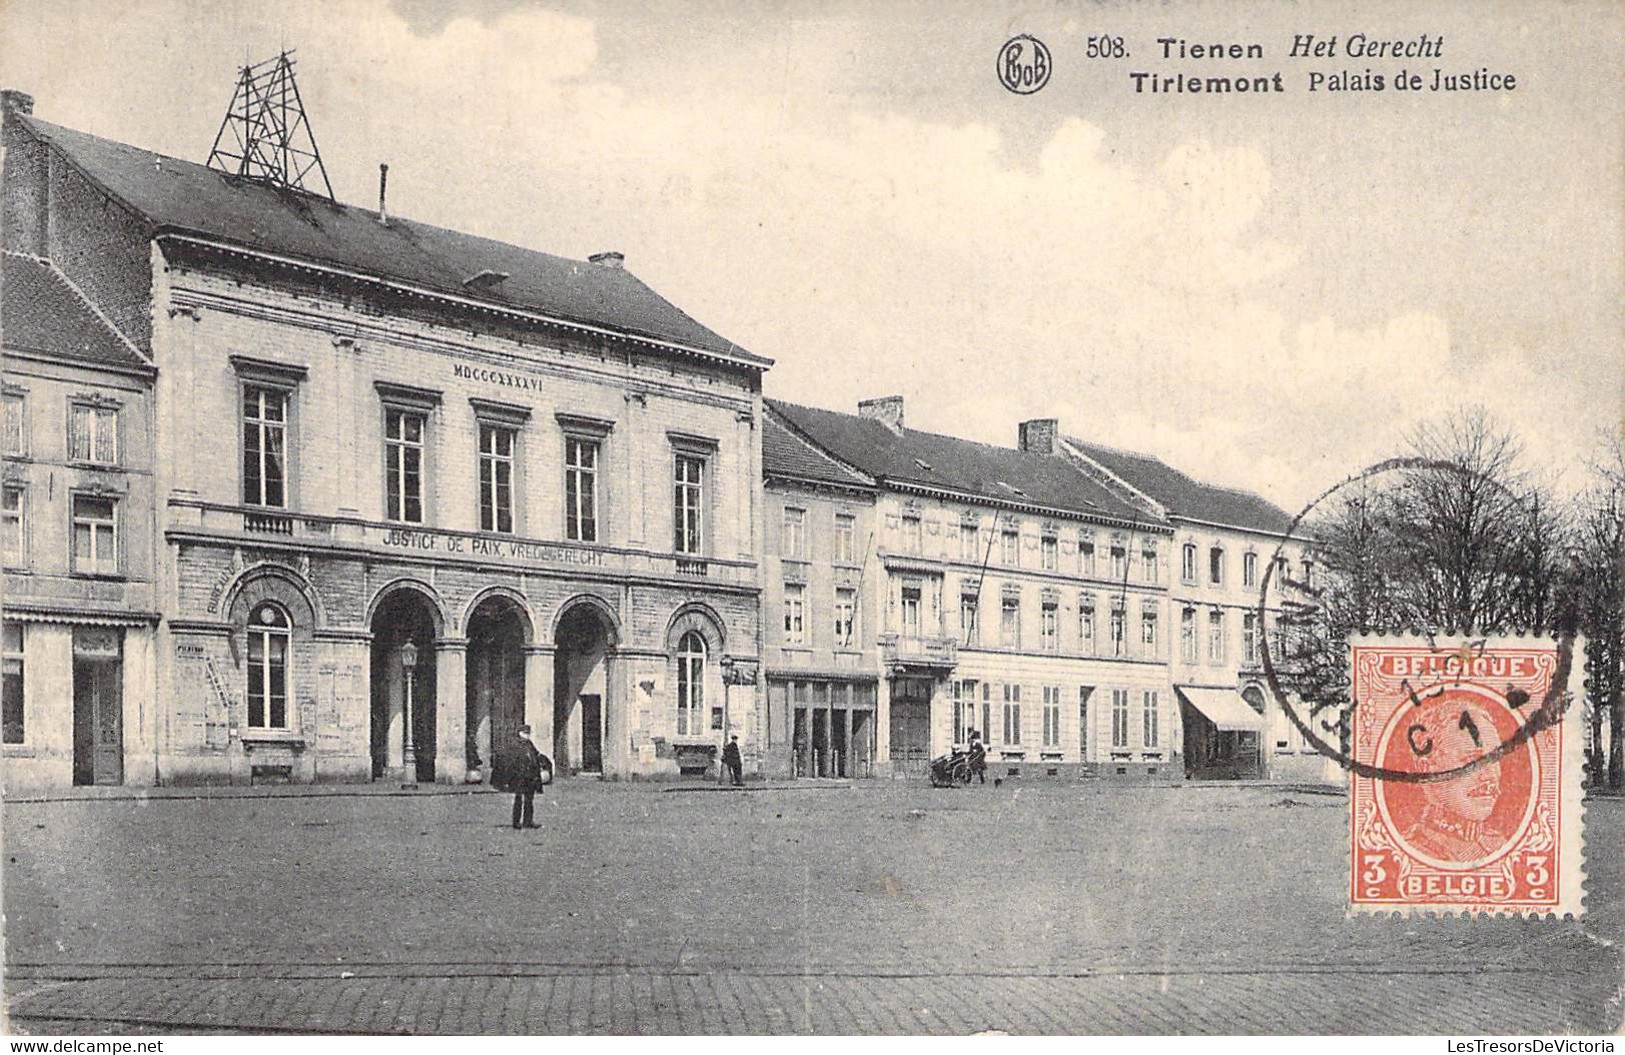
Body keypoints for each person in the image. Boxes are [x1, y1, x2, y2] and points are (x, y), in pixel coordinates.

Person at [501, 724, 544, 830]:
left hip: (530, 776)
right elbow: (510, 761)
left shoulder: (529, 744)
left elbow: (535, 755)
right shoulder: (515, 745)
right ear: (520, 733)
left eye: (528, 733)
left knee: (529, 799)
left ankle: (528, 821)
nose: (527, 735)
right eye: (525, 733)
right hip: (519, 776)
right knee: (518, 798)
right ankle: (516, 822)